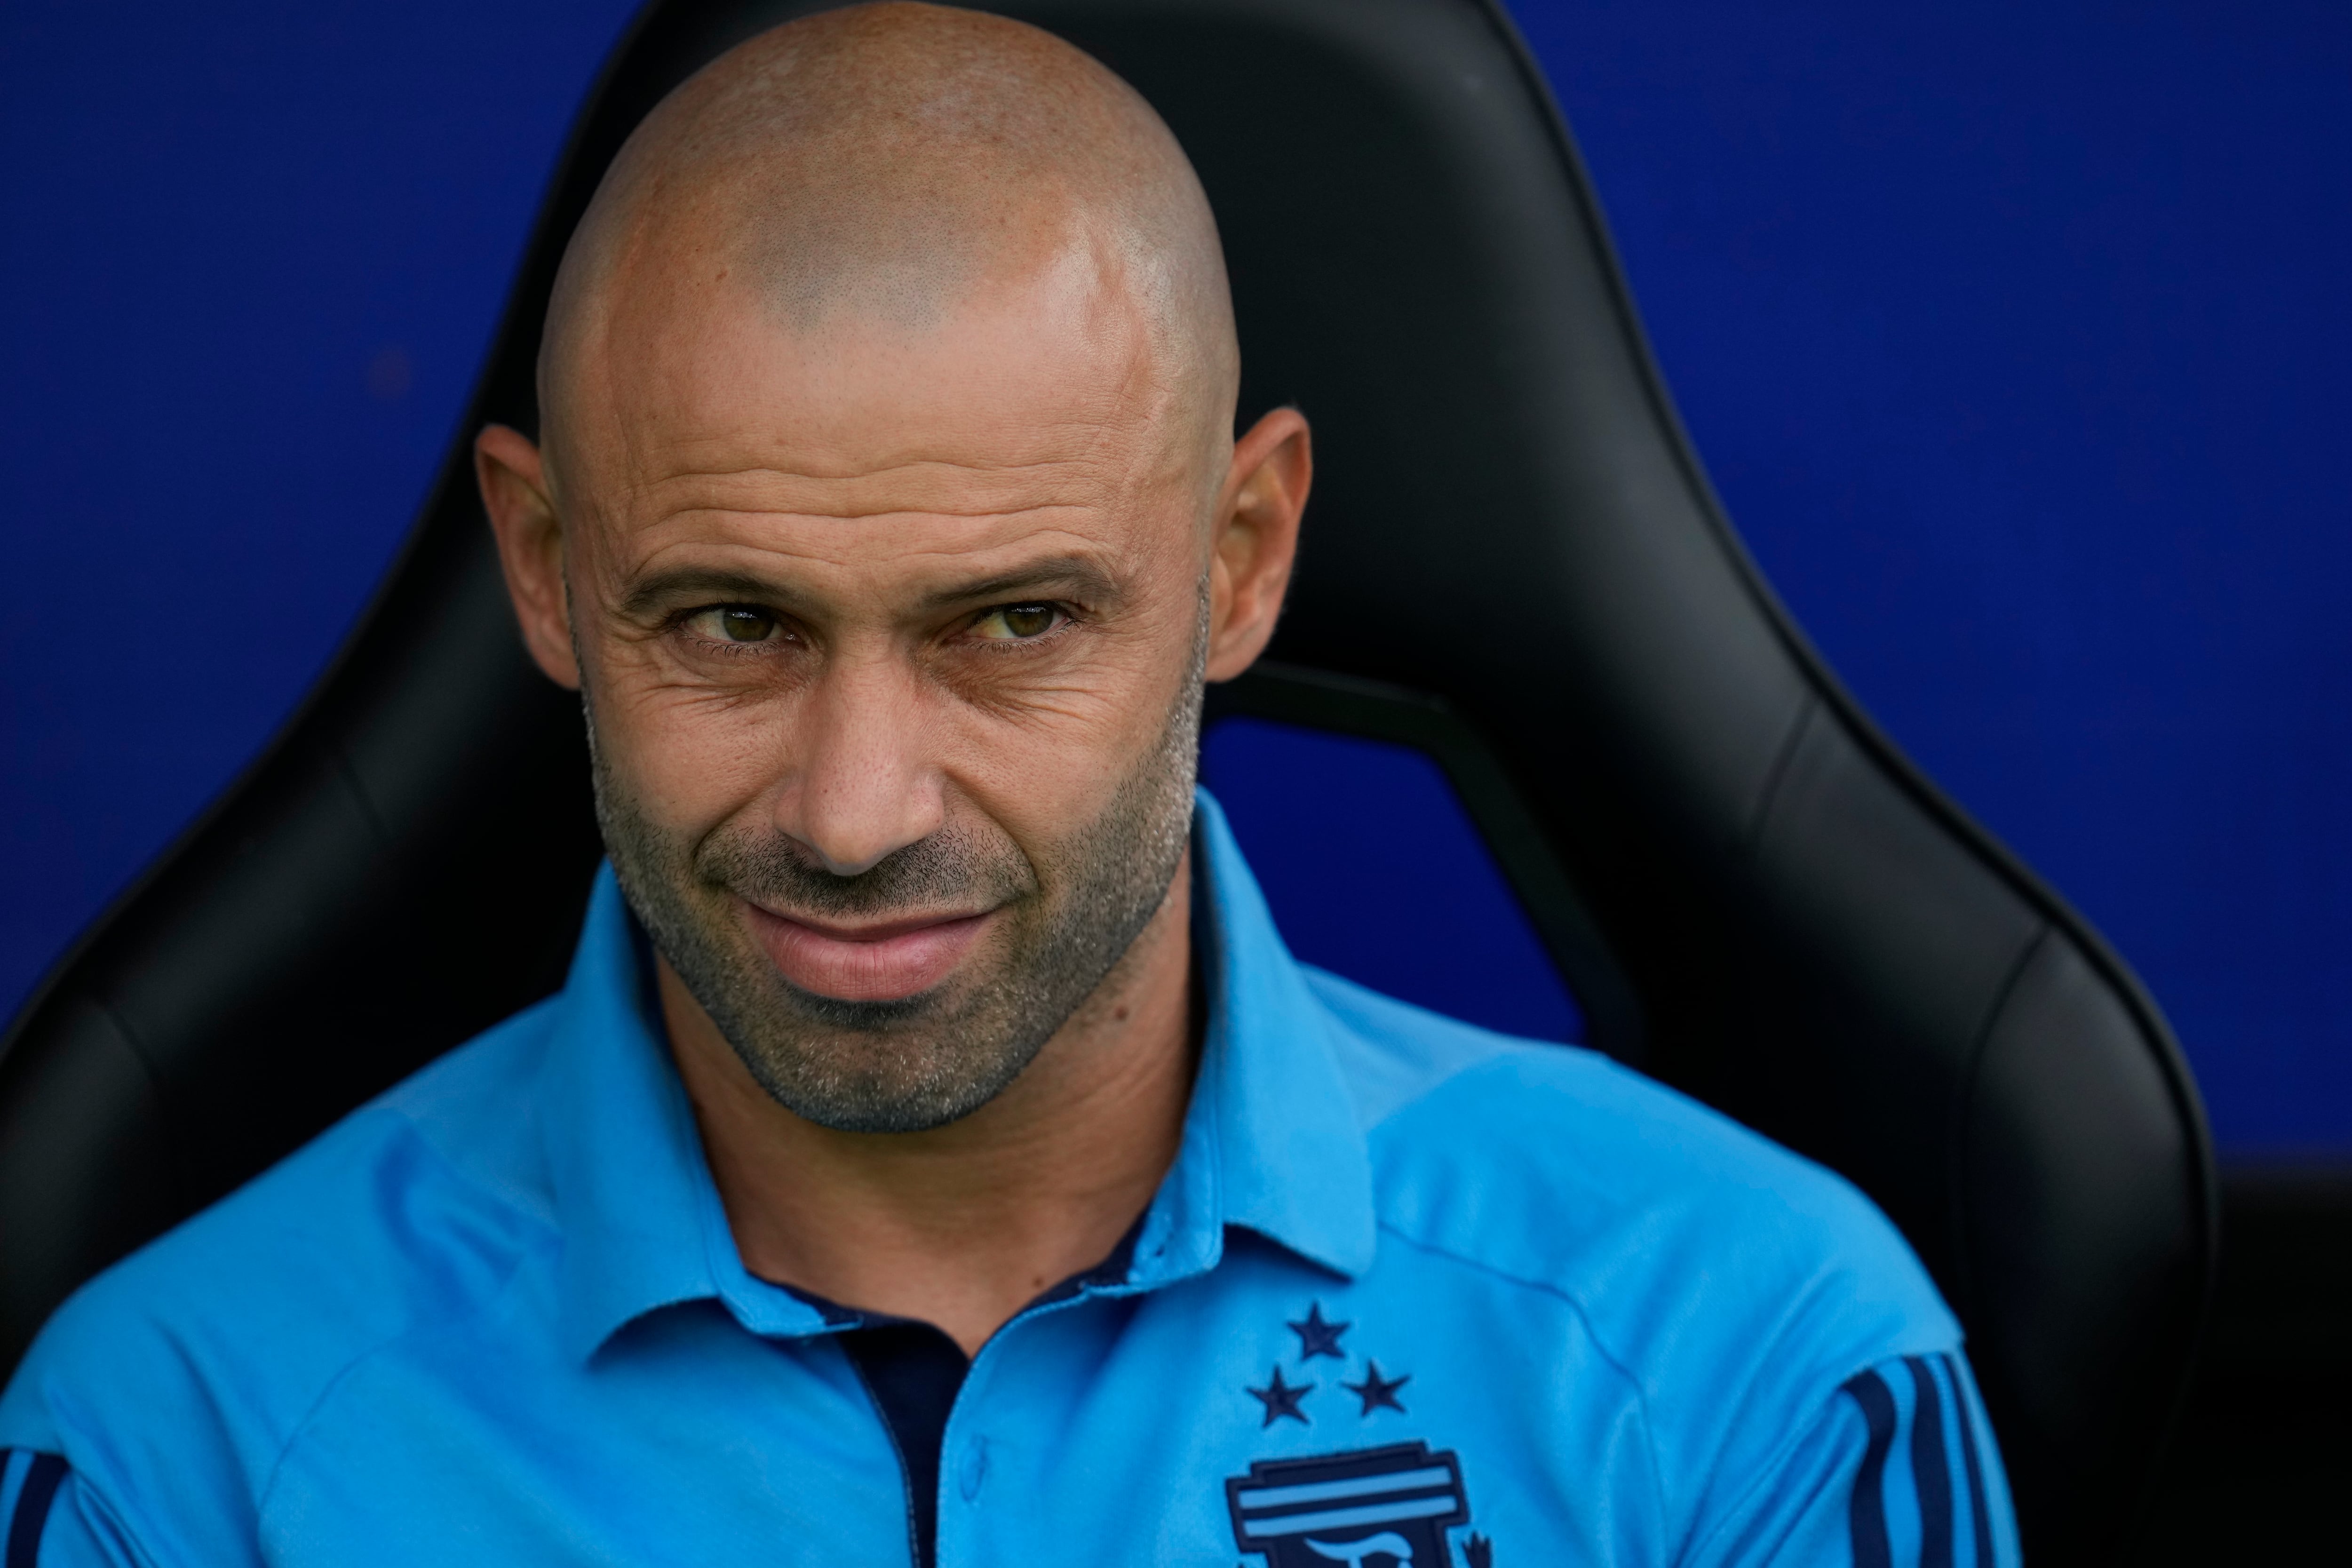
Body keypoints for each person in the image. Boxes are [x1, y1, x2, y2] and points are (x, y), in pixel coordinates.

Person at [0, 6, 2018, 1564]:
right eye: (731, 623)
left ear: (1238, 563)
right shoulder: (181, 1452)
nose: (859, 811)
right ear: (543, 569)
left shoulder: (1740, 1355)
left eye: (1014, 623)